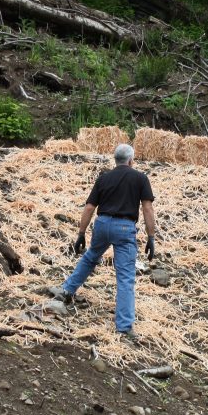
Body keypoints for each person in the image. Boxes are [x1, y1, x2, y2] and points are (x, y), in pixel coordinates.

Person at [54, 144, 156, 340]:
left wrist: (81, 233)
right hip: (125, 227)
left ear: (115, 160)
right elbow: (147, 208)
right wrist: (151, 237)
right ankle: (124, 327)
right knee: (125, 276)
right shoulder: (140, 178)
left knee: (91, 256)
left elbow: (89, 207)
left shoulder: (104, 178)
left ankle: (67, 290)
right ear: (131, 160)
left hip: (102, 224)